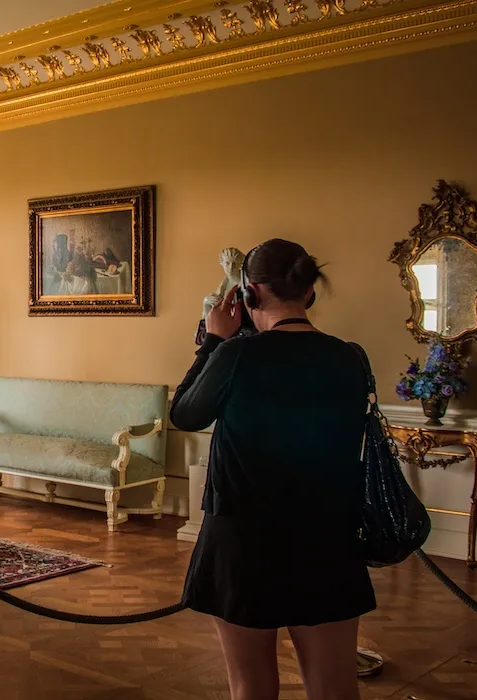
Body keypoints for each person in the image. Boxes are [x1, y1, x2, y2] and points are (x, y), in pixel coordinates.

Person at [170, 238, 374, 700]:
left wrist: (215, 341)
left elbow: (184, 414)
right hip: (328, 536)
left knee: (252, 686)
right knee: (336, 687)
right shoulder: (349, 357)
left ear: (249, 295)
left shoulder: (237, 355)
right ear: (310, 293)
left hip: (245, 539)